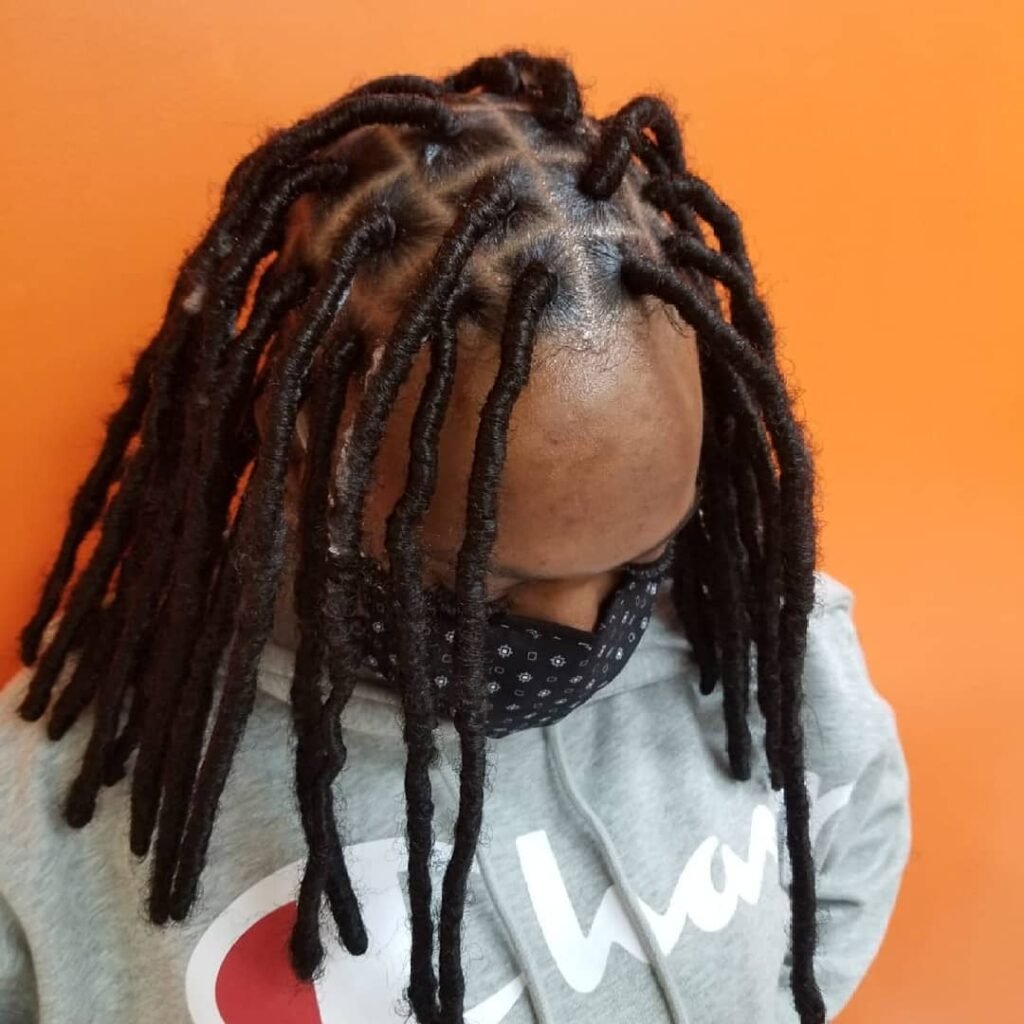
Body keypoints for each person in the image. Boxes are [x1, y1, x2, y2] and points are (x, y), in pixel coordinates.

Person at [0, 47, 911, 1024]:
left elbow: (852, 842)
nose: (584, 626)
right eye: (494, 580)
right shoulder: (68, 791)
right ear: (312, 453)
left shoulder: (766, 643)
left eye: (643, 555)